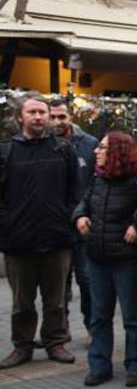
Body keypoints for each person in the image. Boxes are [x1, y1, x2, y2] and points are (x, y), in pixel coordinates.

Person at [0, 93, 79, 369]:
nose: (38, 117)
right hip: (18, 243)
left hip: (57, 240)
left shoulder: (63, 149)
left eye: (42, 113)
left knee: (55, 301)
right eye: (32, 112)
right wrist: (7, 226)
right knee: (22, 303)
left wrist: (67, 221)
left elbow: (75, 192)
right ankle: (22, 346)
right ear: (20, 117)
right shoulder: (6, 151)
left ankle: (55, 342)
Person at [73, 131, 137, 387]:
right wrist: (80, 216)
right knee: (99, 316)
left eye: (103, 147)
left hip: (127, 260)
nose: (96, 151)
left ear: (117, 152)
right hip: (97, 257)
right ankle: (99, 365)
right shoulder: (99, 177)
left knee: (132, 317)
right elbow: (84, 202)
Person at [50, 99, 99, 335]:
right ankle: (60, 330)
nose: (57, 122)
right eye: (53, 117)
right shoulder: (44, 144)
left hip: (82, 226)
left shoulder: (89, 144)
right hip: (54, 226)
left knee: (87, 282)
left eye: (62, 117)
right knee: (58, 286)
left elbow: (97, 182)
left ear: (71, 117)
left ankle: (92, 328)